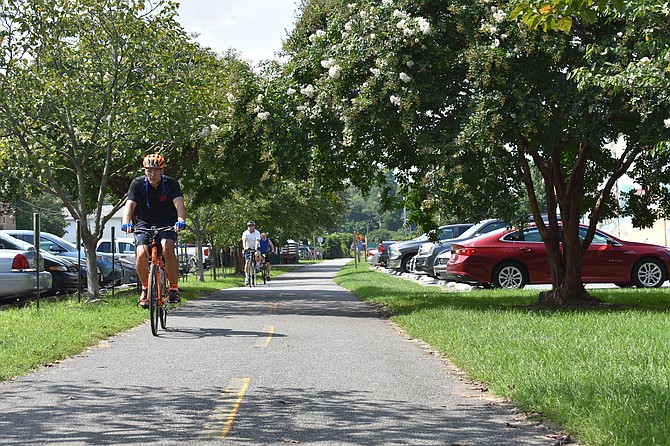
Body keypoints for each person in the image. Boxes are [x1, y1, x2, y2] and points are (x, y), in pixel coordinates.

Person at [121, 153, 187, 308]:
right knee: (142, 254)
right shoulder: (137, 184)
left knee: (167, 248)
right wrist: (126, 223)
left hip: (167, 223)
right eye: (149, 170)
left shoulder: (170, 184)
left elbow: (179, 205)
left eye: (156, 170)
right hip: (144, 223)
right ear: (144, 171)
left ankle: (173, 288)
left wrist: (181, 221)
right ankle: (145, 288)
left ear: (162, 171)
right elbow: (129, 205)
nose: (152, 174)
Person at [241, 221, 261, 285]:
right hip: (248, 248)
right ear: (248, 227)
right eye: (249, 226)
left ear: (254, 227)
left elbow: (257, 241)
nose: (251, 227)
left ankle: (257, 265)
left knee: (257, 254)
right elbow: (244, 241)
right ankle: (247, 277)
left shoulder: (257, 232)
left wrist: (256, 248)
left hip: (255, 247)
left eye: (252, 226)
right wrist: (244, 248)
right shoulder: (245, 233)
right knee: (247, 262)